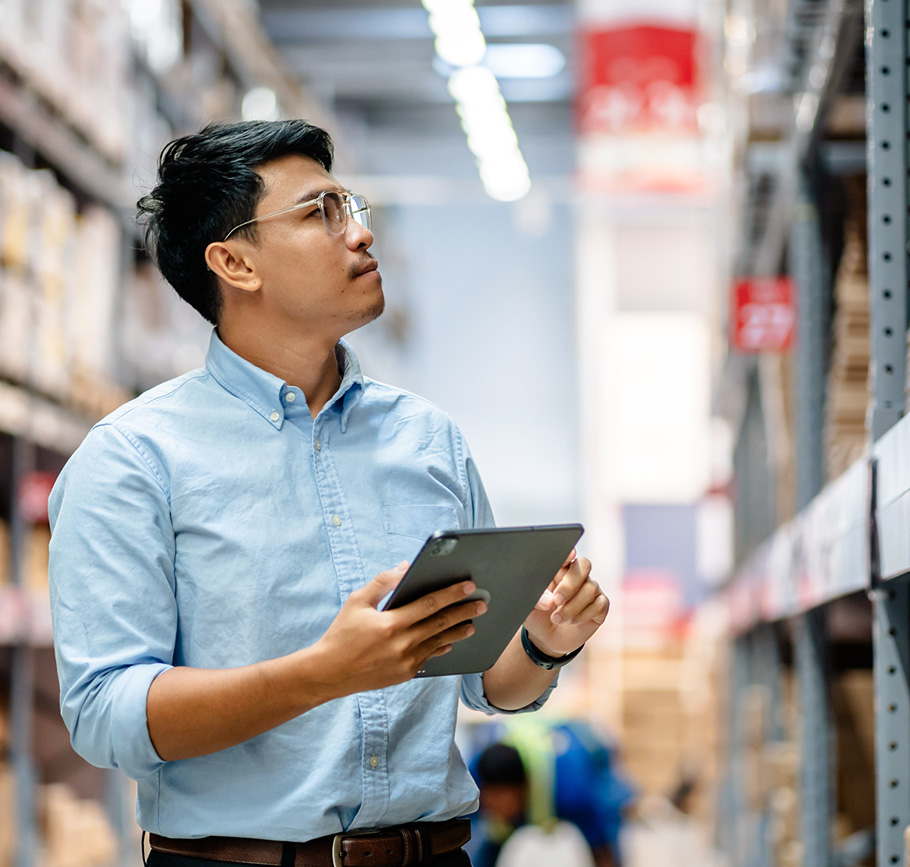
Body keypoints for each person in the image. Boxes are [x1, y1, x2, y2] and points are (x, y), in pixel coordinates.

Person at [47, 120, 610, 866]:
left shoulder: (428, 439)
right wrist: (323, 672)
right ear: (234, 263)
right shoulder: (133, 459)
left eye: (352, 208)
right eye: (320, 214)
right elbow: (106, 714)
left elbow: (485, 682)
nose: (359, 236)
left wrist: (544, 642)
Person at [467, 720, 634, 867]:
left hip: (583, 749)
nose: (492, 808)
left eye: (500, 801)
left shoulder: (572, 795)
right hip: (513, 736)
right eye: (488, 800)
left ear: (523, 790)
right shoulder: (473, 779)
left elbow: (601, 847)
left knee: (612, 816)